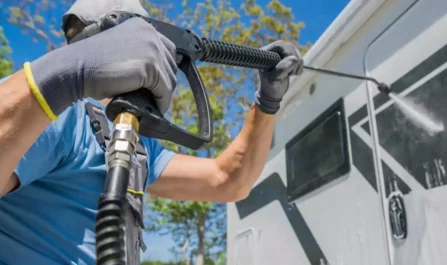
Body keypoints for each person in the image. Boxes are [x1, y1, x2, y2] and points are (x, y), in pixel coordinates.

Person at [0, 0, 303, 264]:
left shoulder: (135, 144)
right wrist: (64, 77)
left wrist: (267, 102)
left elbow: (228, 181)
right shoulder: (57, 115)